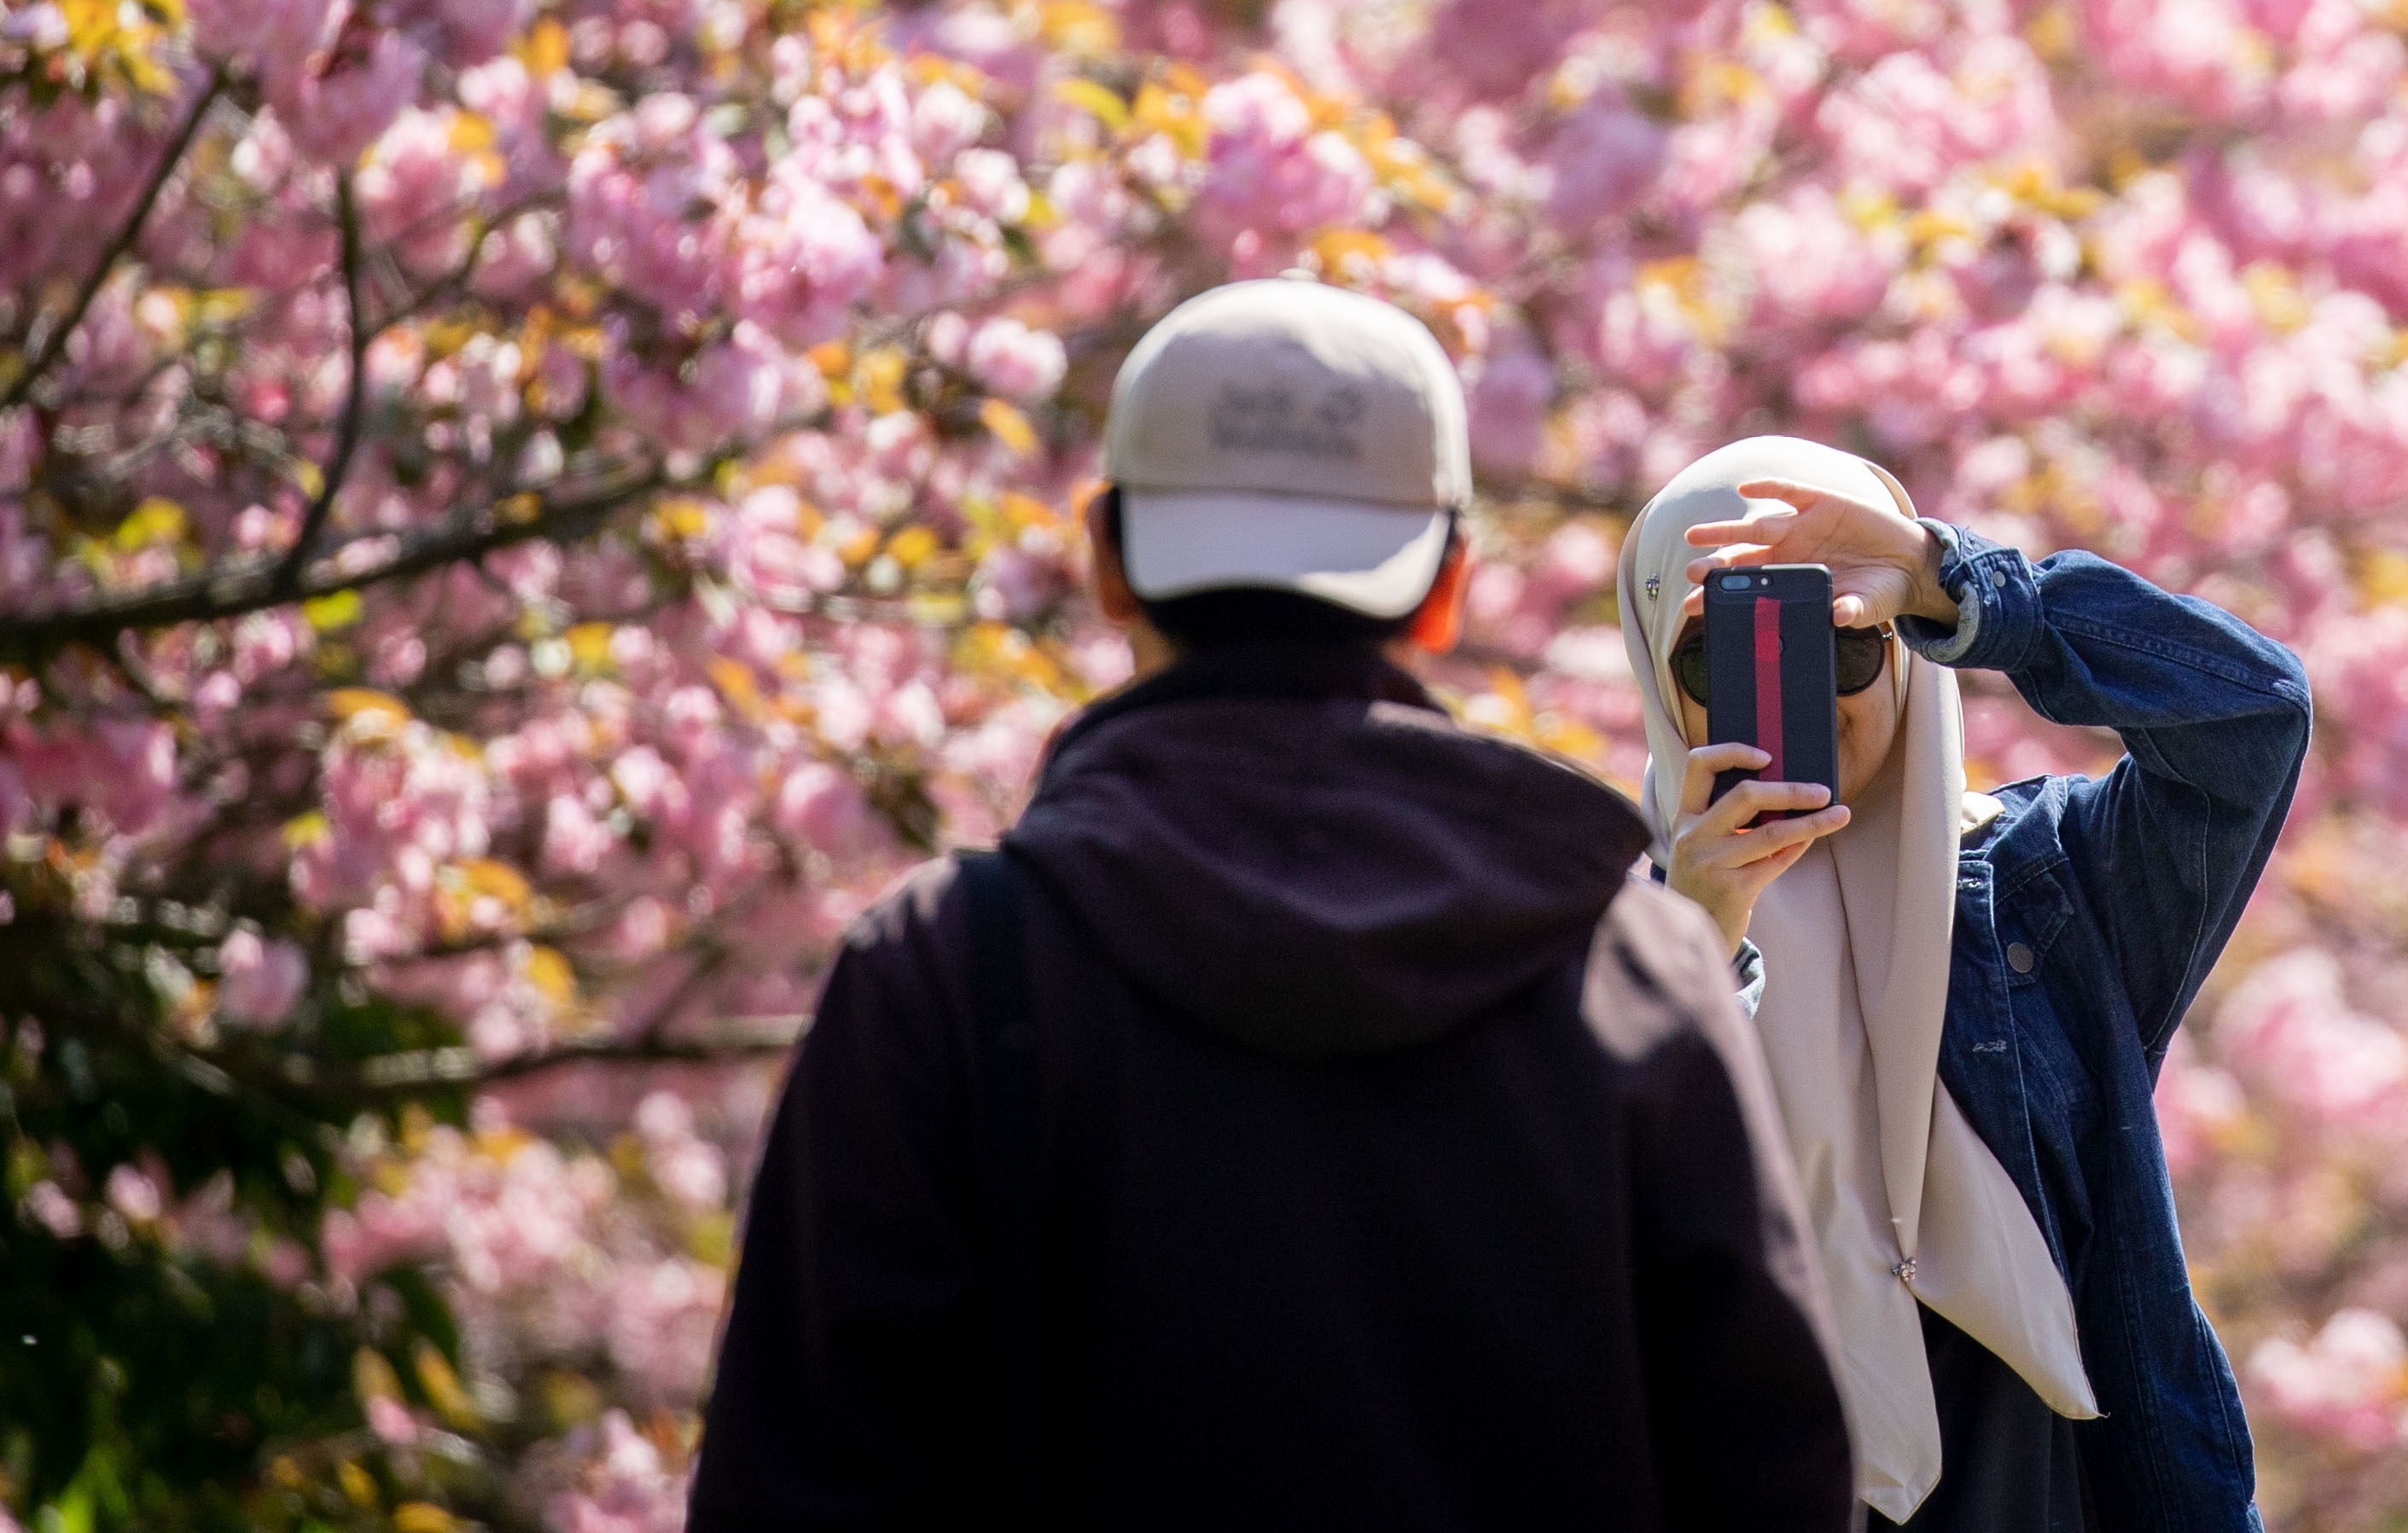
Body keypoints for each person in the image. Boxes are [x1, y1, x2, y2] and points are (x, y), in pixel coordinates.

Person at [692, 281, 1853, 1533]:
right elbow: (1768, 1474)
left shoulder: (943, 967)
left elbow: (802, 1476)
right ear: (1447, 582)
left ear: (1106, 563)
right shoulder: (1631, 967)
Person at [1627, 438, 2312, 1533]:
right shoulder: (1602, 940)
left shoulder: (2054, 888)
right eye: (1718, 659)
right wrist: (1690, 935)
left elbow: (2254, 717)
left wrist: (1951, 579)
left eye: (1842, 647)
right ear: (1658, 682)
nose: (1795, 693)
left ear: (1906, 654)